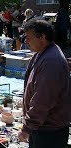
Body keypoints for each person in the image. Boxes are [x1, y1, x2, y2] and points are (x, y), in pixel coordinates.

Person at [18, 19, 71, 148]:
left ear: (42, 37)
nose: (26, 41)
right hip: (43, 126)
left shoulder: (51, 61)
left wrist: (27, 127)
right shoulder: (42, 53)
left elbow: (43, 99)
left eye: (29, 38)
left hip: (49, 131)